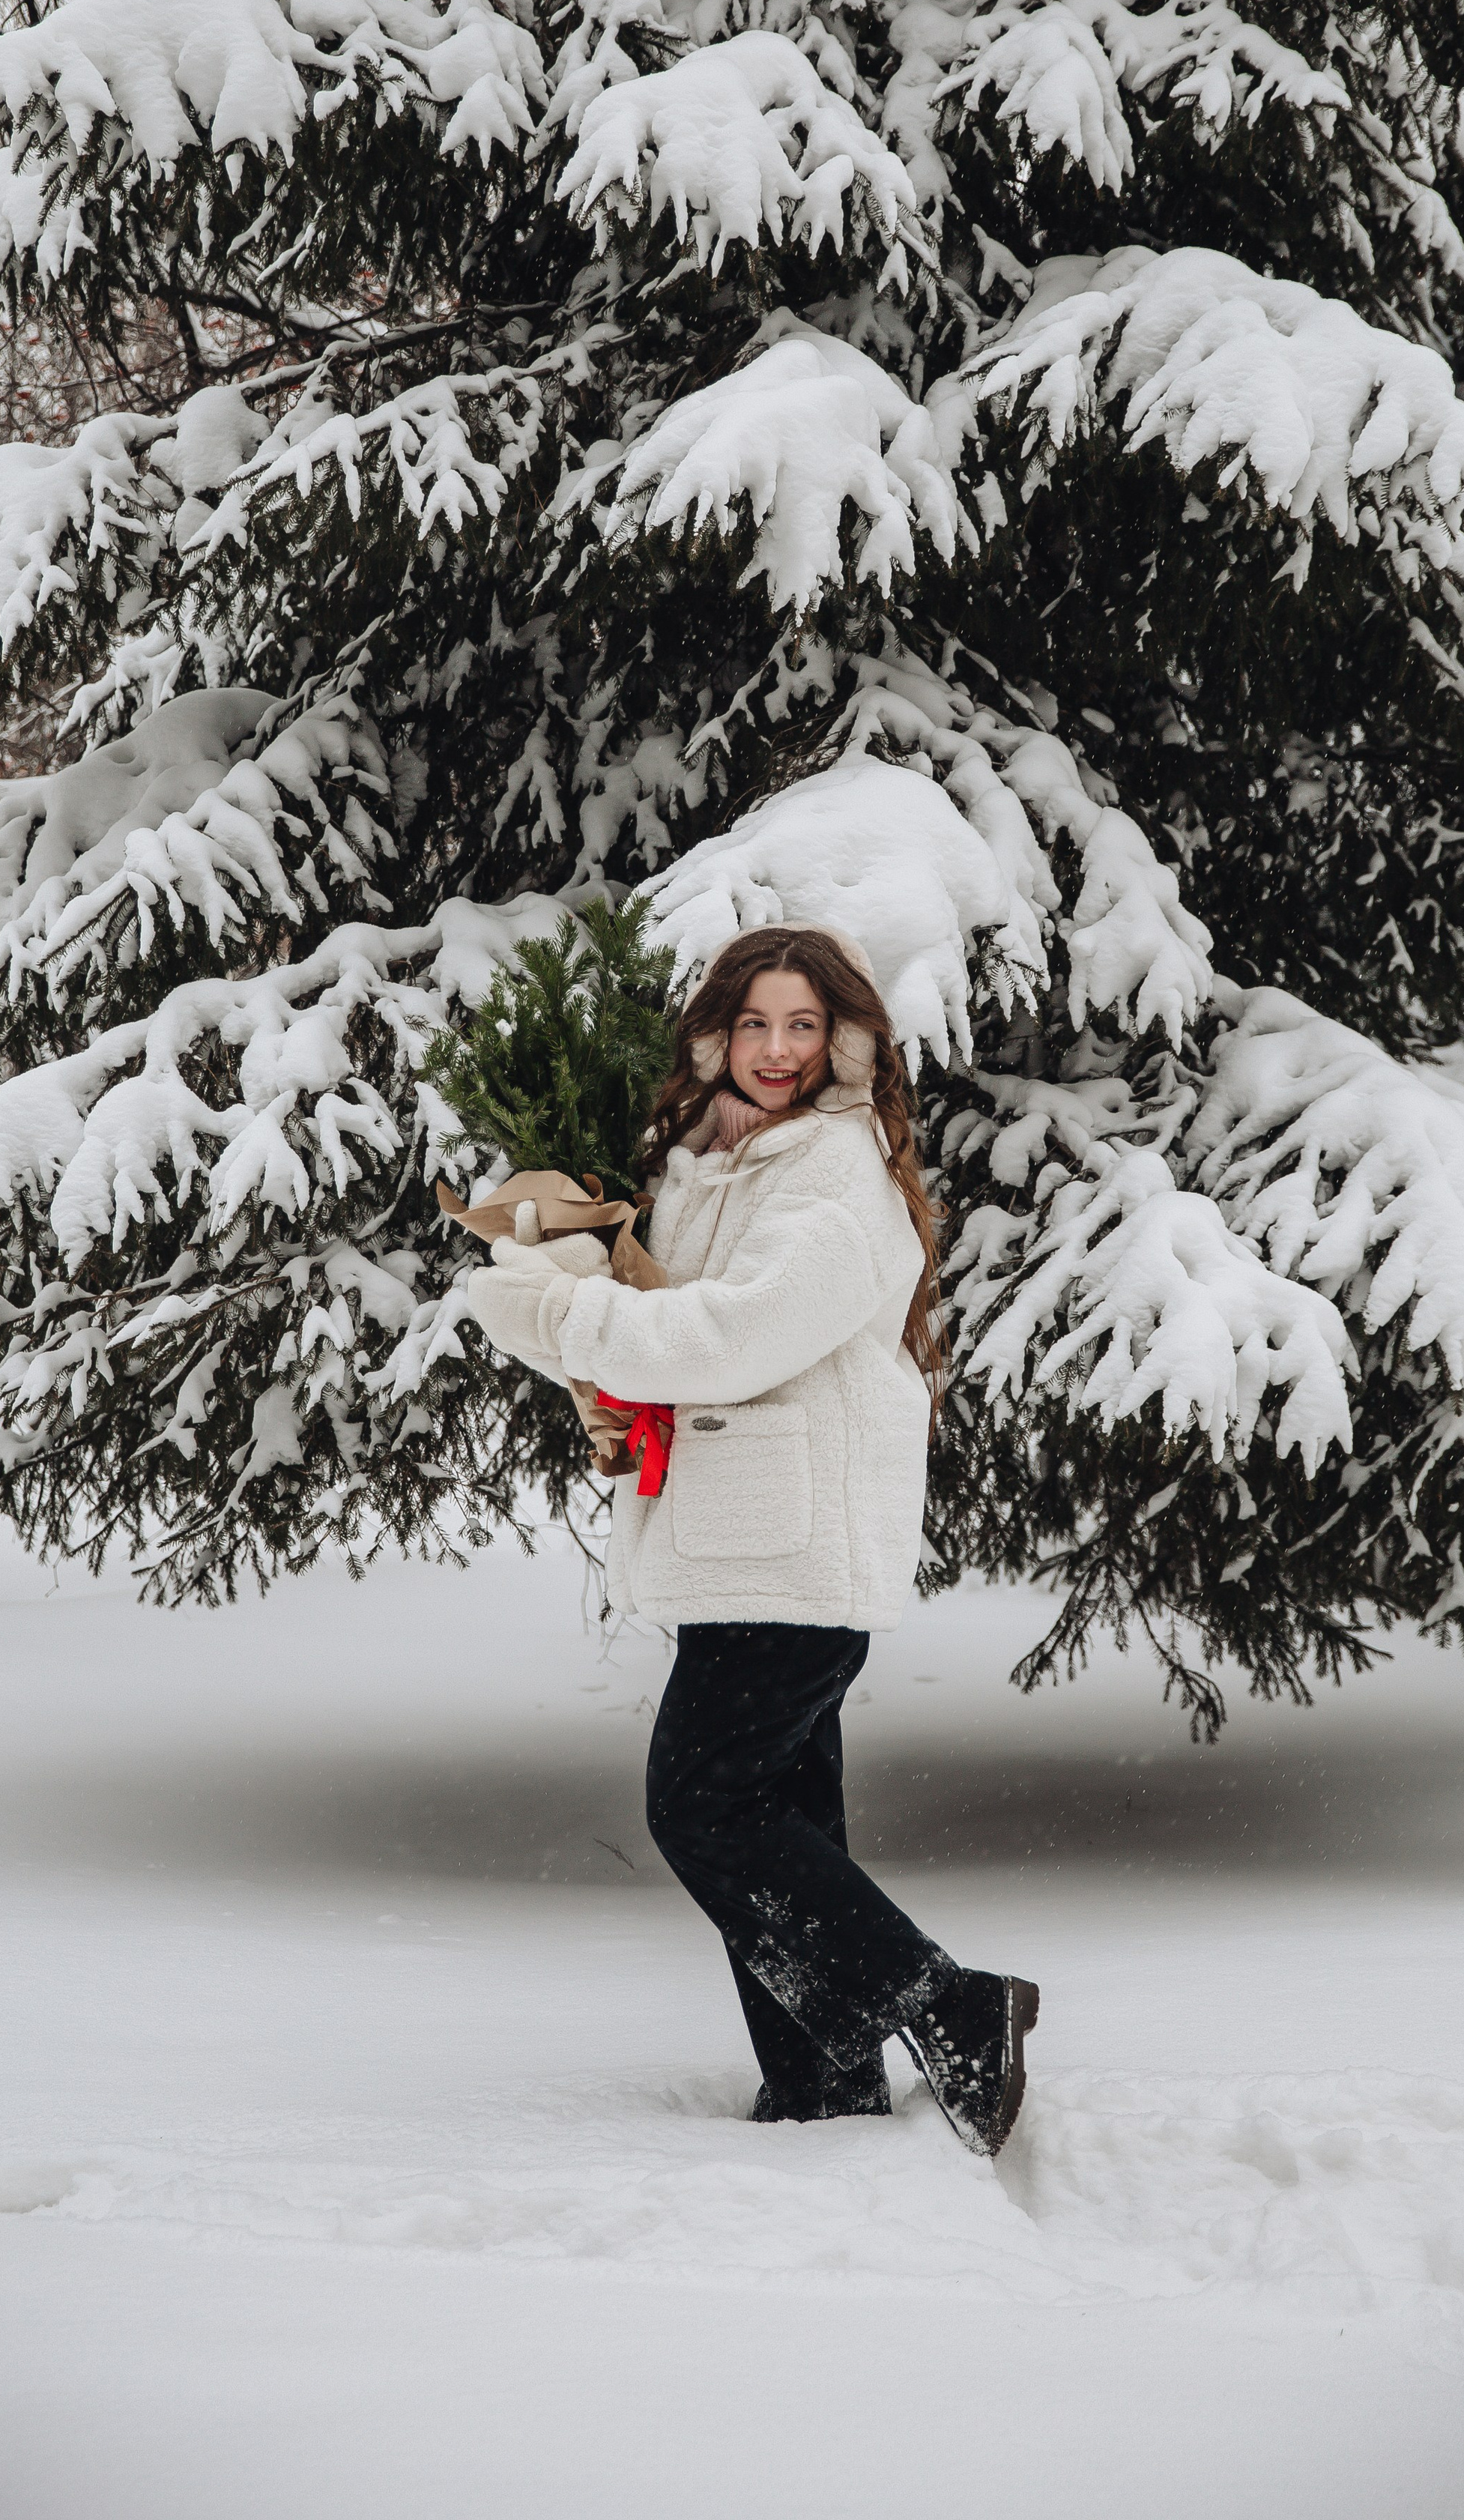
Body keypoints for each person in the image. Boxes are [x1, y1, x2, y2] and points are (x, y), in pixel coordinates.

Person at [465, 922, 1039, 2158]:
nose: (777, 1051)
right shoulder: (703, 1165)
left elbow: (737, 1337)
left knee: (704, 1807)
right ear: (716, 1034)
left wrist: (563, 1316)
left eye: (803, 1026)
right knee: (787, 1812)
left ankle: (953, 2004)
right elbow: (669, 1321)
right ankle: (821, 2086)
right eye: (755, 1024)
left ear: (844, 1042)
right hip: (739, 1534)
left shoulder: (837, 1177)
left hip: (795, 1547)